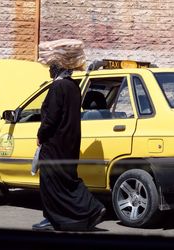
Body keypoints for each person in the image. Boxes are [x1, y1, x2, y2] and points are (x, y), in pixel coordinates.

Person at [32, 39, 106, 232]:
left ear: (57, 66)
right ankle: (67, 217)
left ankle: (87, 209)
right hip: (69, 143)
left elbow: (52, 118)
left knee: (51, 182)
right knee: (65, 180)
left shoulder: (58, 87)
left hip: (55, 144)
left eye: (51, 67)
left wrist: (41, 134)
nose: (49, 71)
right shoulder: (73, 86)